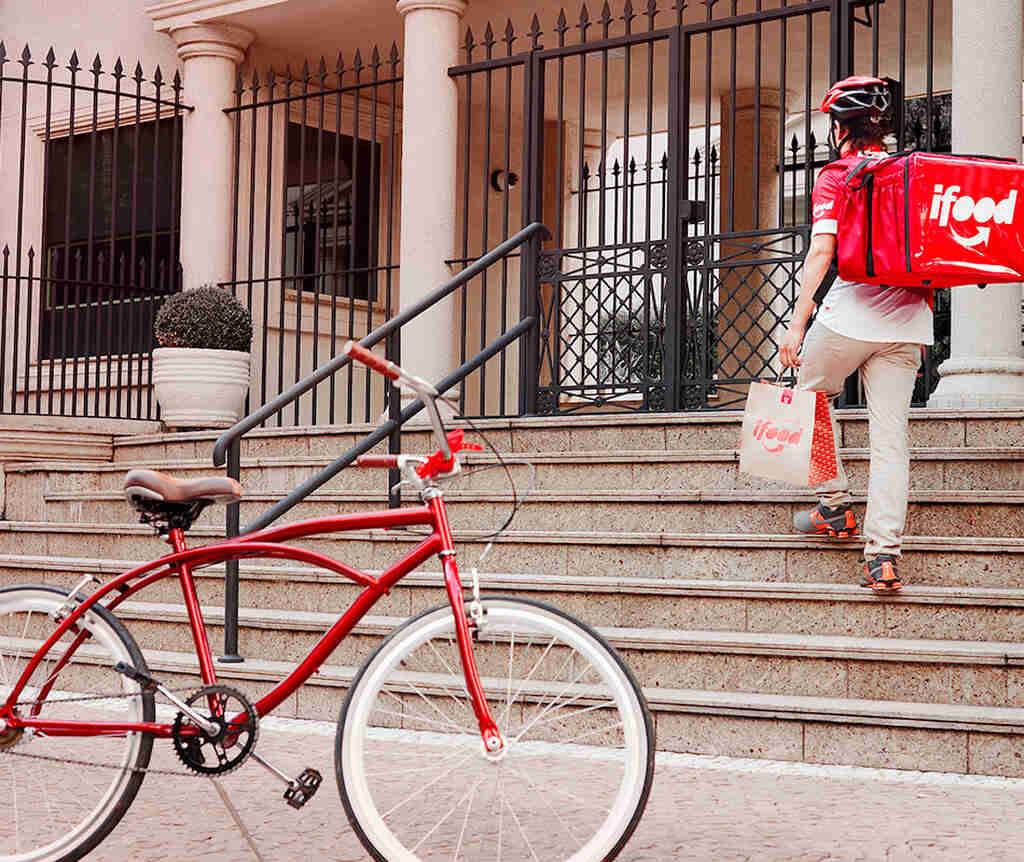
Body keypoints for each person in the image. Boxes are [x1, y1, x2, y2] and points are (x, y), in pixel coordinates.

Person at [779, 76, 933, 593]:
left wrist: (796, 325)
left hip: (850, 317)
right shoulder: (912, 175)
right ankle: (882, 556)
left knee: (807, 397)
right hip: (910, 319)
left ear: (840, 129)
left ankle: (835, 504)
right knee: (891, 441)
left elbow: (822, 253)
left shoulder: (837, 176)